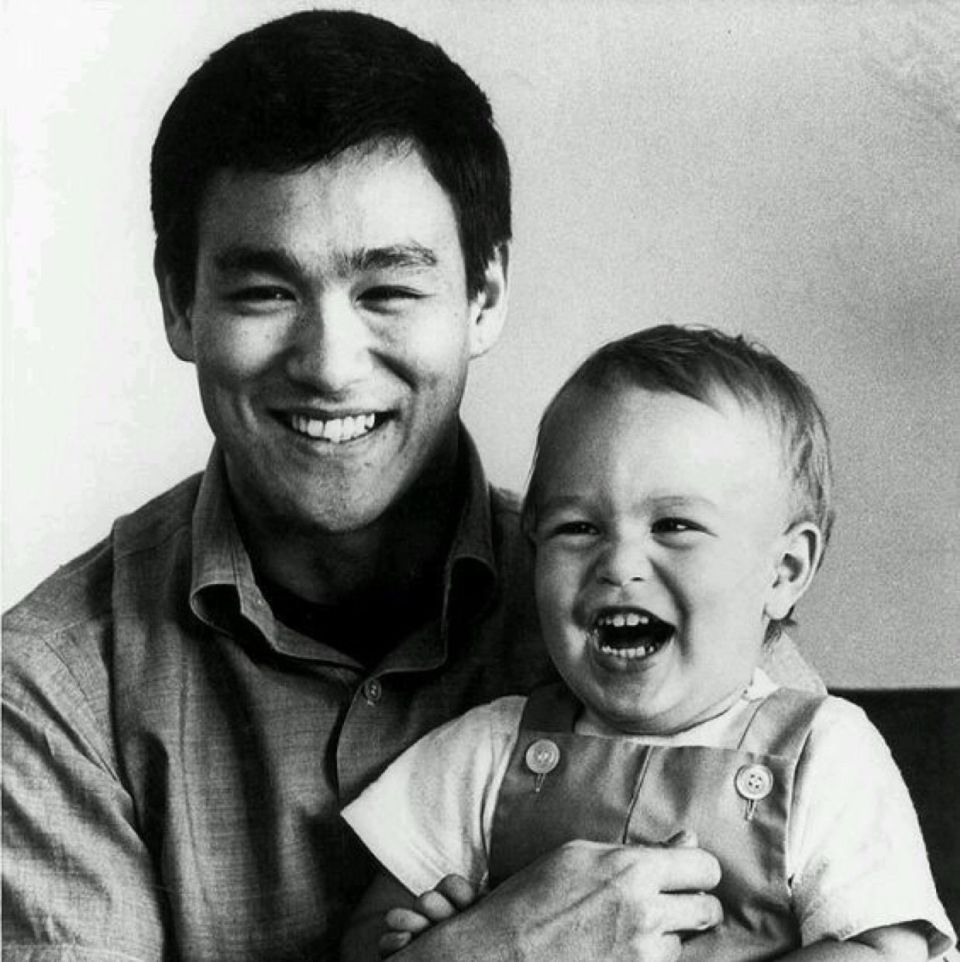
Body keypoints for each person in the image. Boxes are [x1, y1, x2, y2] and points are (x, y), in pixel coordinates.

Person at [3, 12, 820, 962]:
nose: (330, 366)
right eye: (265, 292)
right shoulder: (54, 687)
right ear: (180, 304)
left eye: (388, 291)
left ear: (485, 296)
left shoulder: (675, 611)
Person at [342, 325, 956, 962]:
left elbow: (887, 952)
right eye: (577, 527)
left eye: (675, 525)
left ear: (784, 571)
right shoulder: (484, 751)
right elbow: (363, 939)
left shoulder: (823, 753)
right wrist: (431, 939)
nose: (619, 563)